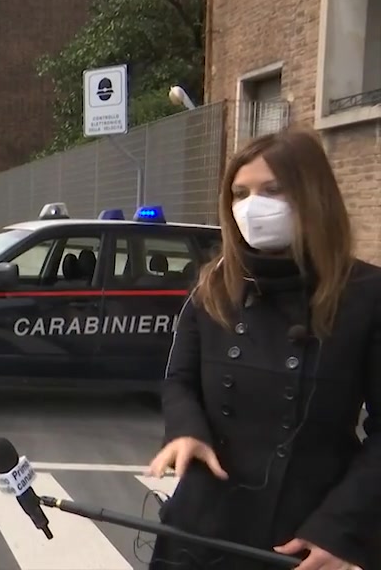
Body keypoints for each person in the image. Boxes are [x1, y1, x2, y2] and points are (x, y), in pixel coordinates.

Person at [145, 128, 380, 570]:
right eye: (239, 193)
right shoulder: (214, 285)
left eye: (273, 190)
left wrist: (341, 529)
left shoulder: (367, 295)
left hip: (307, 531)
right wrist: (185, 430)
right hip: (203, 521)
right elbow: (180, 380)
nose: (252, 206)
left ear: (314, 196)